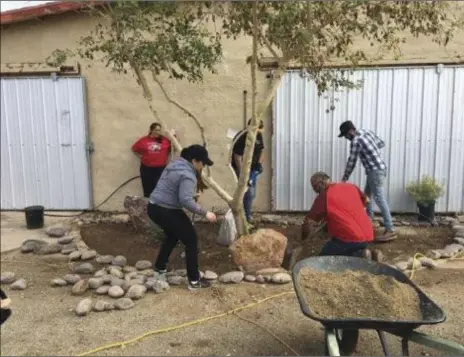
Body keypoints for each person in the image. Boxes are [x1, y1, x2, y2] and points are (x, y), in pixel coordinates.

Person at [147, 144, 217, 290]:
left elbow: (173, 188)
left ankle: (159, 269)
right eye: (202, 162)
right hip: (167, 210)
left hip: (153, 207)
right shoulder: (188, 175)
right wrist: (205, 213)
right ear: (194, 161)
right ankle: (194, 281)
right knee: (191, 239)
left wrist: (188, 196)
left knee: (172, 236)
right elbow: (185, 201)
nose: (202, 166)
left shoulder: (174, 164)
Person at [301, 172, 383, 261]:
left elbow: (308, 222)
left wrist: (303, 238)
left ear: (321, 184)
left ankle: (359, 256)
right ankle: (371, 254)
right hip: (368, 235)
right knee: (348, 245)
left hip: (350, 239)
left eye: (315, 188)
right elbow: (367, 201)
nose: (315, 191)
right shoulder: (350, 186)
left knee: (325, 256)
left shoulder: (324, 196)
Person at [338, 120, 397, 242]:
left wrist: (344, 178)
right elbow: (381, 143)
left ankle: (390, 229)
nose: (346, 138)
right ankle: (368, 221)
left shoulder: (355, 141)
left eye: (345, 135)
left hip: (374, 172)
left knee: (379, 198)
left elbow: (352, 161)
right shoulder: (367, 132)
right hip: (379, 169)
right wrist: (372, 151)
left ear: (350, 132)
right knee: (366, 197)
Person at [231, 119, 265, 226]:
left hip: (253, 168)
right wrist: (244, 175)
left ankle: (247, 215)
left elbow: (262, 150)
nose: (259, 132)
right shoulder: (242, 137)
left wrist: (258, 164)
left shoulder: (258, 134)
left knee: (251, 193)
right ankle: (245, 218)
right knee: (248, 192)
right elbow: (237, 158)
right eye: (258, 129)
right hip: (241, 168)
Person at [132, 123, 172, 197]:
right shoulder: (144, 140)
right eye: (156, 130)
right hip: (147, 168)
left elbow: (173, 148)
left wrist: (173, 137)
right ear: (151, 130)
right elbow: (134, 149)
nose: (158, 132)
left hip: (160, 169)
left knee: (159, 189)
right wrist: (141, 157)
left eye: (159, 130)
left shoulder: (164, 140)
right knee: (148, 190)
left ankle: (157, 207)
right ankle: (149, 207)